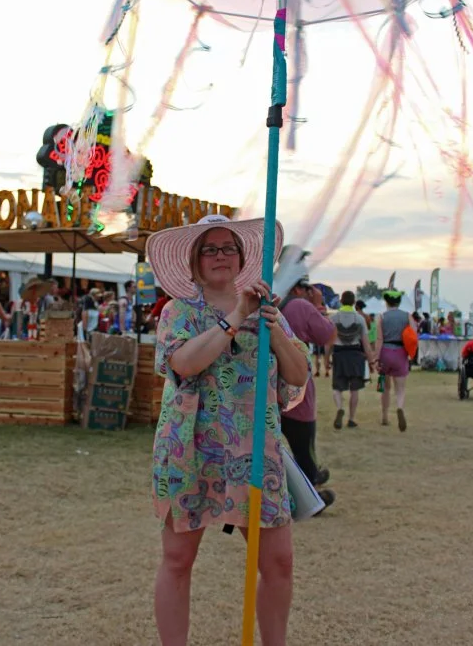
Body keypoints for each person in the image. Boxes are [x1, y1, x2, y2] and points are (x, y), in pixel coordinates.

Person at [147, 215, 310, 646]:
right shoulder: (178, 312)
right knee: (178, 560)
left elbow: (298, 375)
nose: (220, 256)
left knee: (279, 562)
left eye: (229, 248)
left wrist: (274, 333)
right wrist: (236, 316)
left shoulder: (270, 311)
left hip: (257, 451)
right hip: (191, 450)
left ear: (242, 258)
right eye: (210, 249)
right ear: (194, 262)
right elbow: (184, 364)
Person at [279, 280, 335, 502]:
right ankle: (310, 487)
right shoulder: (301, 306)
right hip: (295, 374)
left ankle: (308, 475)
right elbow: (327, 334)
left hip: (272, 379)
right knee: (303, 435)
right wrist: (319, 306)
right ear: (298, 288)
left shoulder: (277, 303)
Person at [327, 291, 376, 429]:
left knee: (337, 387)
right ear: (354, 302)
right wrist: (371, 361)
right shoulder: (360, 319)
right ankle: (352, 419)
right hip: (355, 356)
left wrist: (326, 359)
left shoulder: (334, 318)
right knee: (355, 390)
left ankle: (339, 408)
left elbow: (329, 342)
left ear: (341, 301)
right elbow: (366, 344)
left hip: (339, 355)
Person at [375, 289, 416, 431]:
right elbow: (413, 335)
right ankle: (399, 407)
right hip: (400, 353)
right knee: (400, 388)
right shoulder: (407, 316)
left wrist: (376, 358)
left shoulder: (381, 317)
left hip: (385, 352)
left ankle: (384, 416)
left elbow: (379, 339)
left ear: (386, 302)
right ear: (399, 302)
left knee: (385, 388)